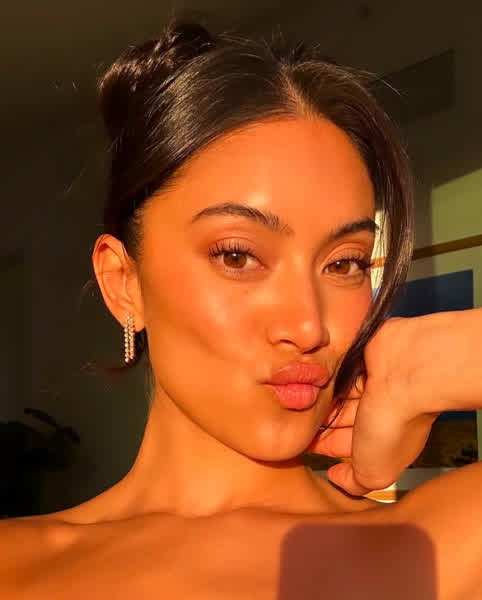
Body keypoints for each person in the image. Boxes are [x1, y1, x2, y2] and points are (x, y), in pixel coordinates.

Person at [1, 19, 481, 600]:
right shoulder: (13, 564)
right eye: (237, 255)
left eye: (345, 263)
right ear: (124, 283)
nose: (308, 326)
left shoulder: (437, 547)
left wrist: (435, 360)